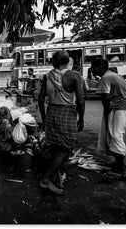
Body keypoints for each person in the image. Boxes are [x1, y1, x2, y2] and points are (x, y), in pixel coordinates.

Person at [38, 50, 85, 194]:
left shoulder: (47, 76)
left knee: (56, 146)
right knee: (66, 148)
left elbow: (40, 99)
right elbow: (81, 101)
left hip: (51, 111)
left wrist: (44, 118)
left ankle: (59, 172)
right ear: (68, 61)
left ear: (54, 62)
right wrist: (81, 119)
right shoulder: (74, 75)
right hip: (67, 112)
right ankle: (46, 179)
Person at [91, 58, 126, 177]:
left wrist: (107, 115)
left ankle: (120, 169)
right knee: (120, 135)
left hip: (117, 110)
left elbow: (105, 99)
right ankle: (120, 164)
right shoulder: (115, 75)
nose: (92, 70)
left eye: (94, 67)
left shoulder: (105, 77)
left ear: (101, 67)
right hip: (125, 109)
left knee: (116, 135)